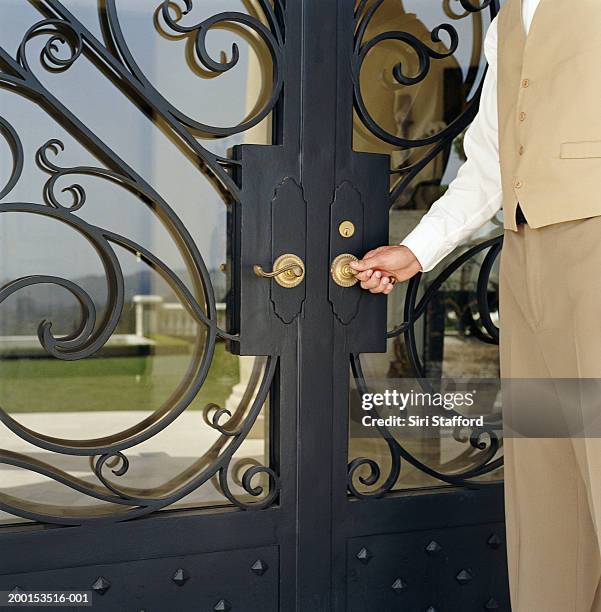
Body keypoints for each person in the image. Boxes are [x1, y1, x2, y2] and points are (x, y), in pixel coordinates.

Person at [350, 1, 601, 610]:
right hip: (526, 260)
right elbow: (489, 160)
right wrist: (417, 250)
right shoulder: (509, 16)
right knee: (548, 501)